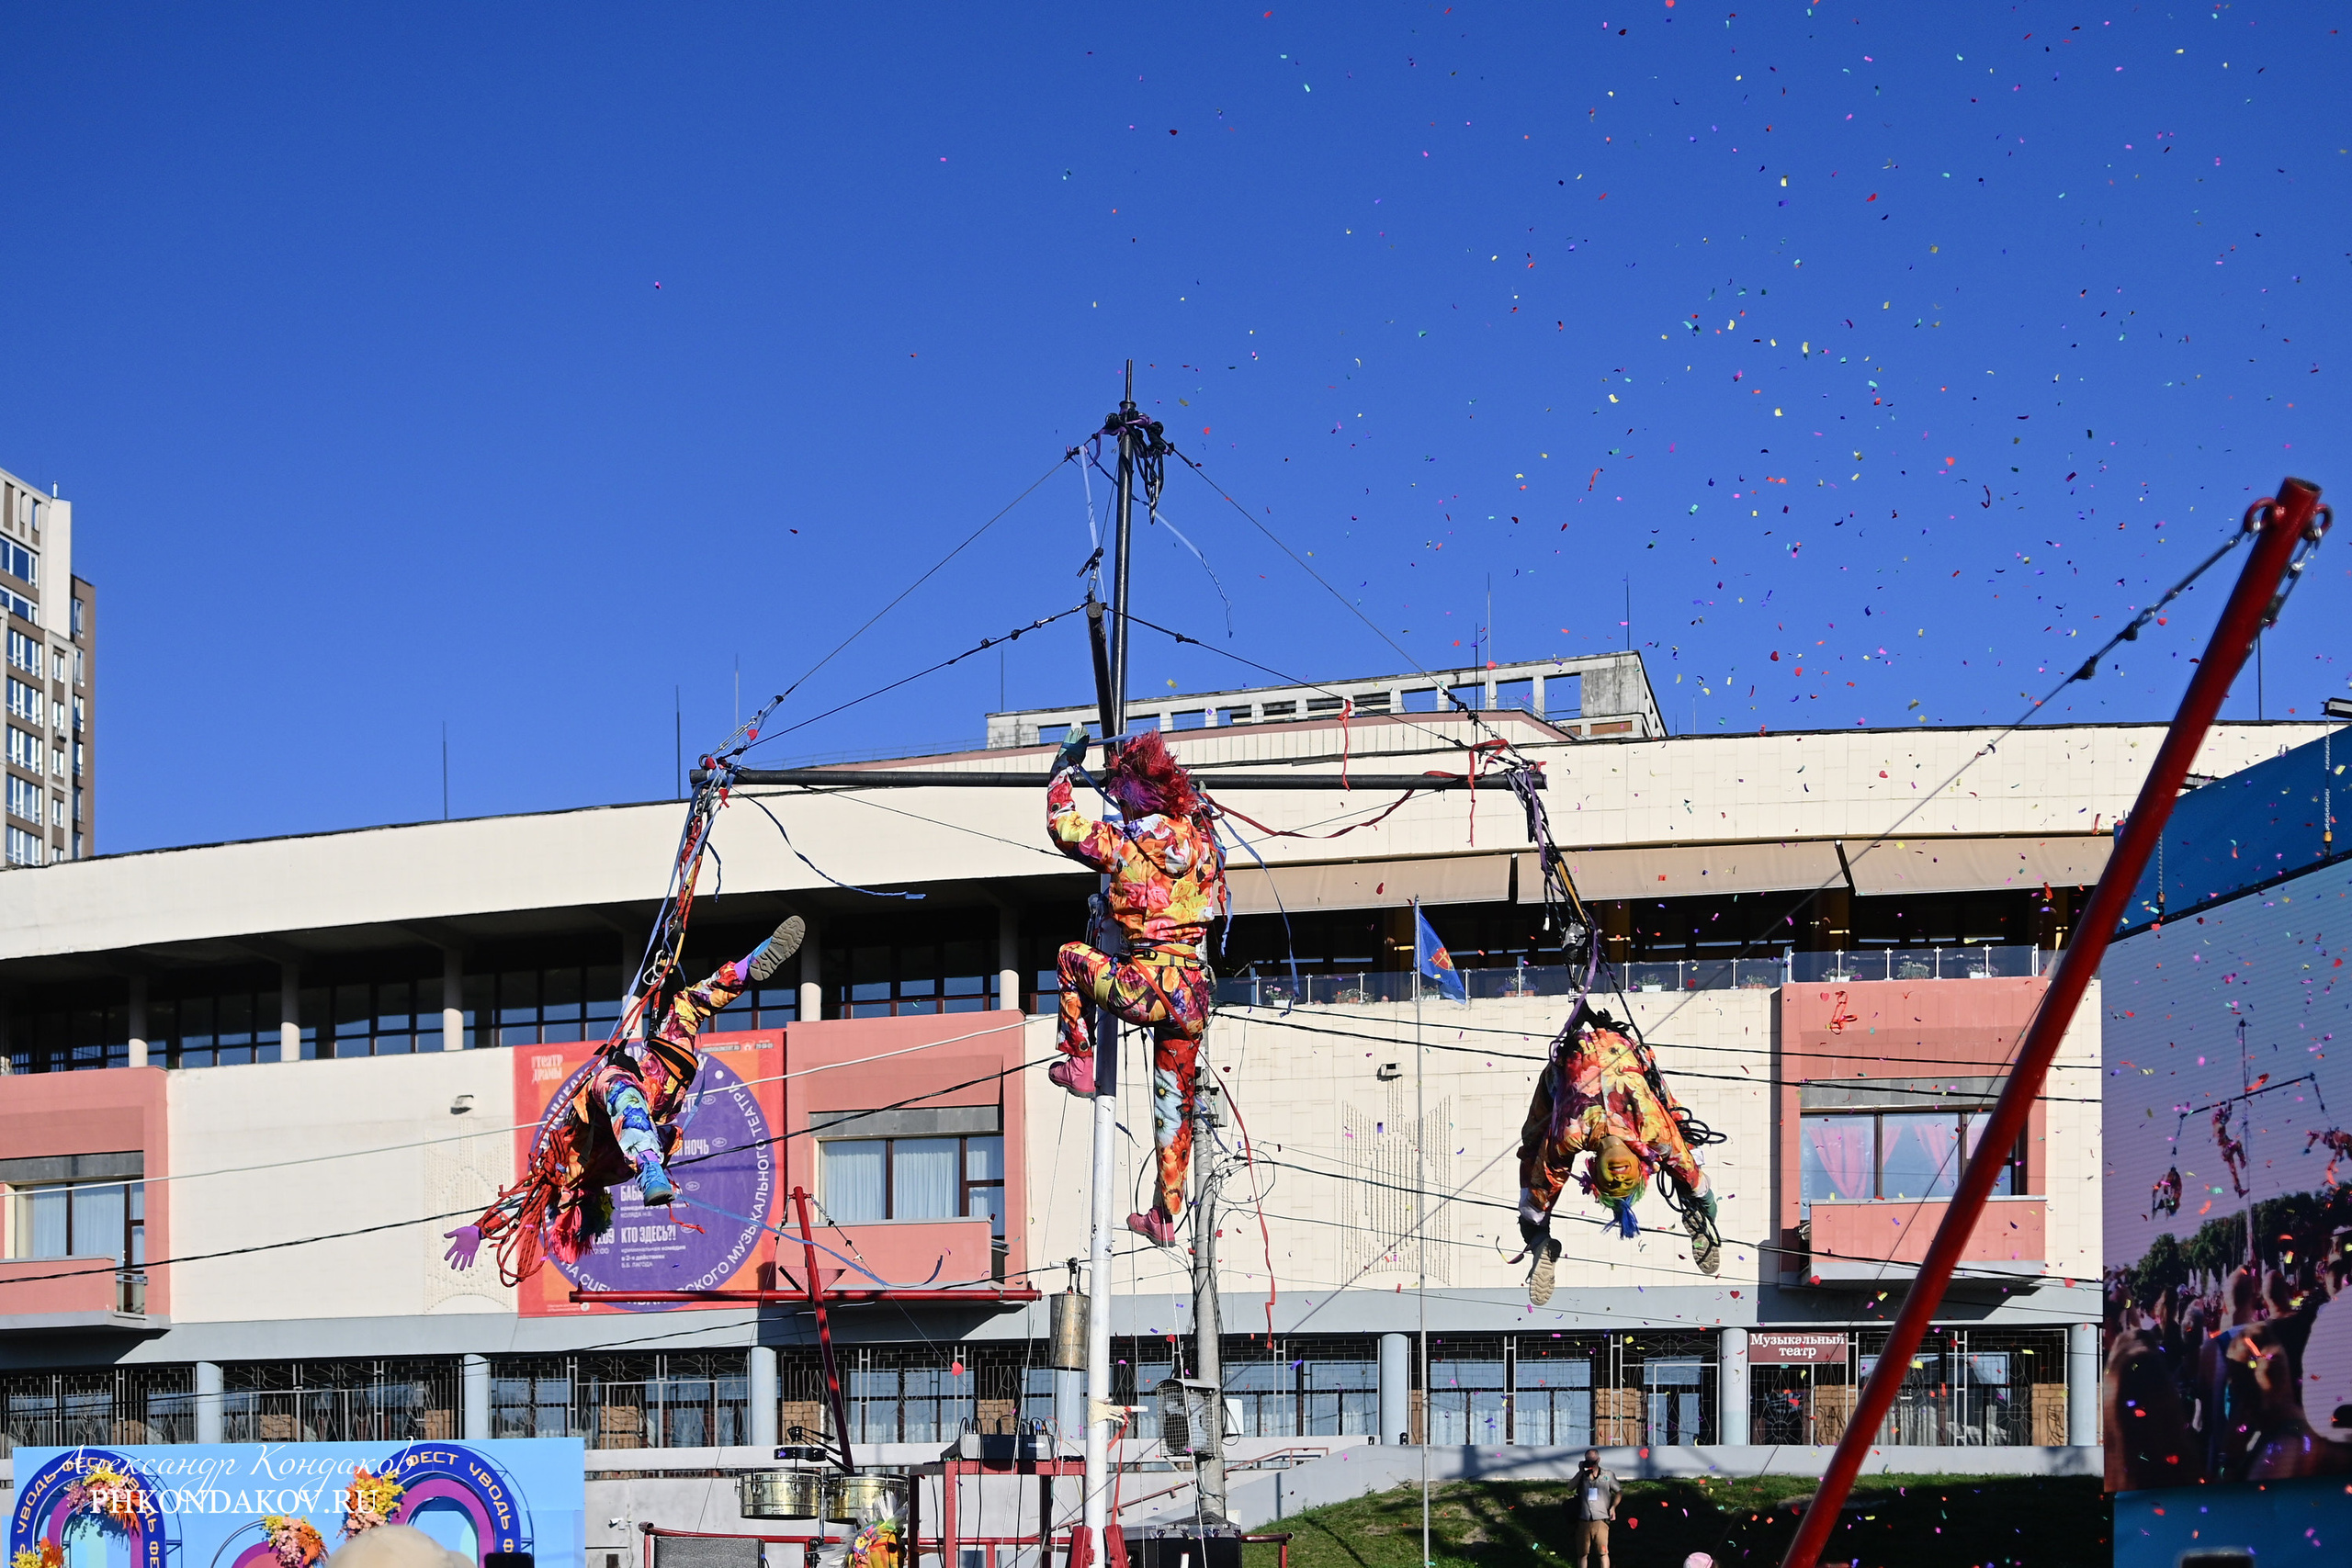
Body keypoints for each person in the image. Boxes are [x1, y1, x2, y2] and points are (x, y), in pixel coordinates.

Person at [444, 916, 804, 1278]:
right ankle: (650, 1166)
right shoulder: (581, 1176)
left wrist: (480, 1228)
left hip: (647, 1085)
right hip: (648, 1090)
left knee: (684, 1007)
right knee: (629, 1081)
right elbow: (530, 1201)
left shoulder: (566, 1174)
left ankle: (748, 965)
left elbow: (525, 1200)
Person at [1045, 726, 1227, 1247]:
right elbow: (1200, 829)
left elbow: (1062, 827)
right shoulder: (1203, 845)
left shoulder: (1125, 844)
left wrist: (1062, 775)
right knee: (1175, 1107)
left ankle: (1079, 1060)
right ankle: (1165, 1217)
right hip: (1193, 994)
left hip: (1148, 981)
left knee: (1070, 959)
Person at [1516, 1013, 1720, 1304]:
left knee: (1534, 1138)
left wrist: (1535, 1225)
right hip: (1623, 1047)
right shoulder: (1652, 1132)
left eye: (1611, 1186)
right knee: (1677, 1130)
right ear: (1641, 1167)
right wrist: (1704, 1205)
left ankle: (1539, 1243)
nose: (1620, 1178)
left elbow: (1544, 1178)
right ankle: (1701, 1223)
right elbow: (1689, 1170)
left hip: (1565, 1067)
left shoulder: (1571, 1136)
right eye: (1628, 1183)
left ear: (1594, 1172)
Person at [1571, 1449, 1621, 1568]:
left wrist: (1613, 1507)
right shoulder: (1583, 1476)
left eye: (1592, 1460)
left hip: (1601, 1519)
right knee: (1582, 1553)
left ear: (1598, 1460)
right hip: (1584, 1519)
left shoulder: (1607, 1475)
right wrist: (1580, 1472)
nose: (1590, 1463)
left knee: (1603, 1552)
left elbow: (1619, 1491)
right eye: (1587, 1460)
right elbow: (1570, 1487)